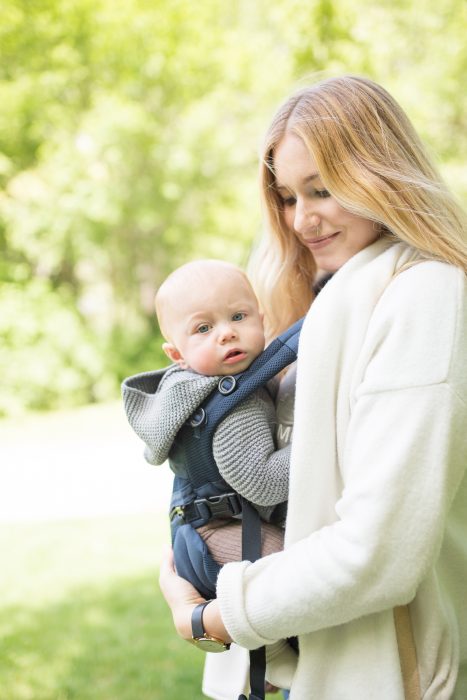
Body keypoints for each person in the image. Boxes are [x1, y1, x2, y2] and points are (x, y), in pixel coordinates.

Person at [158, 74, 467, 699]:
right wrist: (185, 560)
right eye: (288, 197)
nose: (302, 219)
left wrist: (215, 615)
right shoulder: (325, 297)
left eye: (322, 190)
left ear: (381, 173)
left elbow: (377, 552)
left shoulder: (424, 295)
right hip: (301, 669)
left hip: (388, 676)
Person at [121, 259, 297, 690]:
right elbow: (264, 481)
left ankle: (271, 657)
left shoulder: (222, 386)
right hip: (216, 535)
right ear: (176, 354)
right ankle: (277, 659)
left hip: (204, 532)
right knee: (291, 566)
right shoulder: (231, 406)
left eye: (238, 317)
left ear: (262, 317)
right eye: (203, 329)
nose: (226, 333)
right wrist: (317, 443)